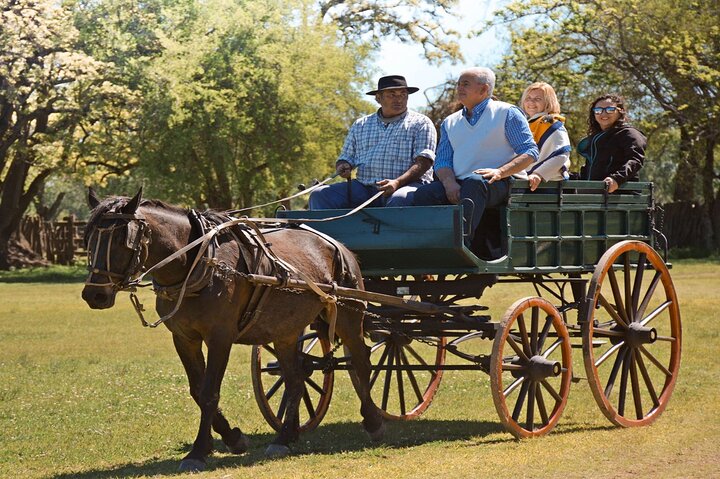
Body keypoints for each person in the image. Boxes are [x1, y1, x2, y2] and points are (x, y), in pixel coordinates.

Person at [413, 67, 539, 245]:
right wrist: (450, 184)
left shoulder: (507, 113)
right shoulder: (450, 122)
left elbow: (529, 152)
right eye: (458, 84)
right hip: (462, 182)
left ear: (484, 89)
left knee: (474, 183)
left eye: (465, 84)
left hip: (501, 182)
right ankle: (426, 245)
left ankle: (460, 245)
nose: (459, 88)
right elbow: (442, 161)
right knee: (424, 193)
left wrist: (500, 172)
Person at [309, 75, 436, 209]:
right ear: (378, 98)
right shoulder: (361, 125)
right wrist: (343, 166)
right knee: (319, 194)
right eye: (392, 95)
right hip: (364, 187)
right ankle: (325, 230)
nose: (399, 99)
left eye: (403, 94)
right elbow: (345, 158)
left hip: (407, 185)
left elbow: (424, 162)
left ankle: (392, 230)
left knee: (400, 199)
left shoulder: (421, 123)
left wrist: (397, 183)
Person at [577, 93, 646, 192]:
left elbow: (635, 160)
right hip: (593, 197)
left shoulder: (629, 133)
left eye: (610, 110)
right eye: (598, 110)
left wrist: (616, 179)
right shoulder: (596, 138)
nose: (603, 114)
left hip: (621, 198)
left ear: (620, 111)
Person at [520, 82, 572, 191]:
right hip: (525, 181)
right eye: (528, 98)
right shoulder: (526, 123)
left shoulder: (551, 123)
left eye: (537, 99)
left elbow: (562, 155)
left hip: (547, 184)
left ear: (548, 102)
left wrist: (538, 174)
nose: (531, 102)